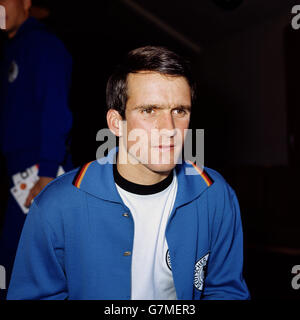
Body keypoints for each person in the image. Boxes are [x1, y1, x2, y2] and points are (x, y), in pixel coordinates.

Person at [7, 46, 250, 300]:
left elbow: (226, 290)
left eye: (179, 111)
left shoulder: (215, 194)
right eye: (149, 110)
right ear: (116, 123)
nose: (168, 128)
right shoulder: (56, 205)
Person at [0, 0, 73, 299]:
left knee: (25, 269)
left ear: (26, 2)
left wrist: (46, 173)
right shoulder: (11, 50)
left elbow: (56, 110)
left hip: (40, 176)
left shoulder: (43, 45)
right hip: (19, 177)